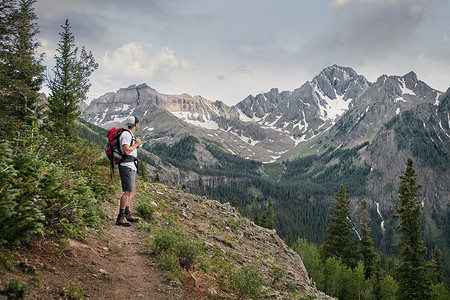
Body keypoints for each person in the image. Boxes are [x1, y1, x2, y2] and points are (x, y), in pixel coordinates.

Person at [116, 116, 142, 226]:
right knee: (127, 192)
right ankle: (120, 217)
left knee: (130, 192)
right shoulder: (126, 134)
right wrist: (136, 144)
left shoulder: (130, 135)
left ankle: (127, 213)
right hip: (126, 165)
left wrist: (136, 146)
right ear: (136, 124)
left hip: (131, 165)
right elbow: (126, 150)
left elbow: (130, 150)